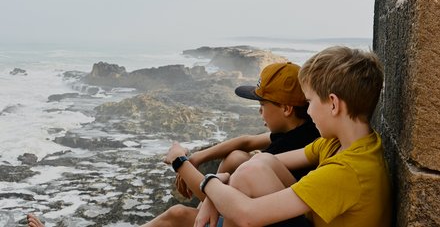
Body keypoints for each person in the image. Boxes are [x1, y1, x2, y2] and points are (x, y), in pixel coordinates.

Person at [27, 62, 320, 227]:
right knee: (236, 157)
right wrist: (198, 158)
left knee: (182, 211)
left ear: (285, 109)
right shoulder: (298, 132)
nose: (258, 111)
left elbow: (222, 200)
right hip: (253, 212)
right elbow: (244, 141)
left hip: (253, 218)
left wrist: (181, 162)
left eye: (262, 103)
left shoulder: (297, 147)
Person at [167, 46, 392, 227]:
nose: (309, 111)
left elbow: (247, 215)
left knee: (248, 175)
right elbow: (260, 162)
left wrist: (205, 181)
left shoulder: (348, 172)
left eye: (311, 102)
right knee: (258, 164)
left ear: (333, 104)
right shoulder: (340, 144)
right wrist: (220, 185)